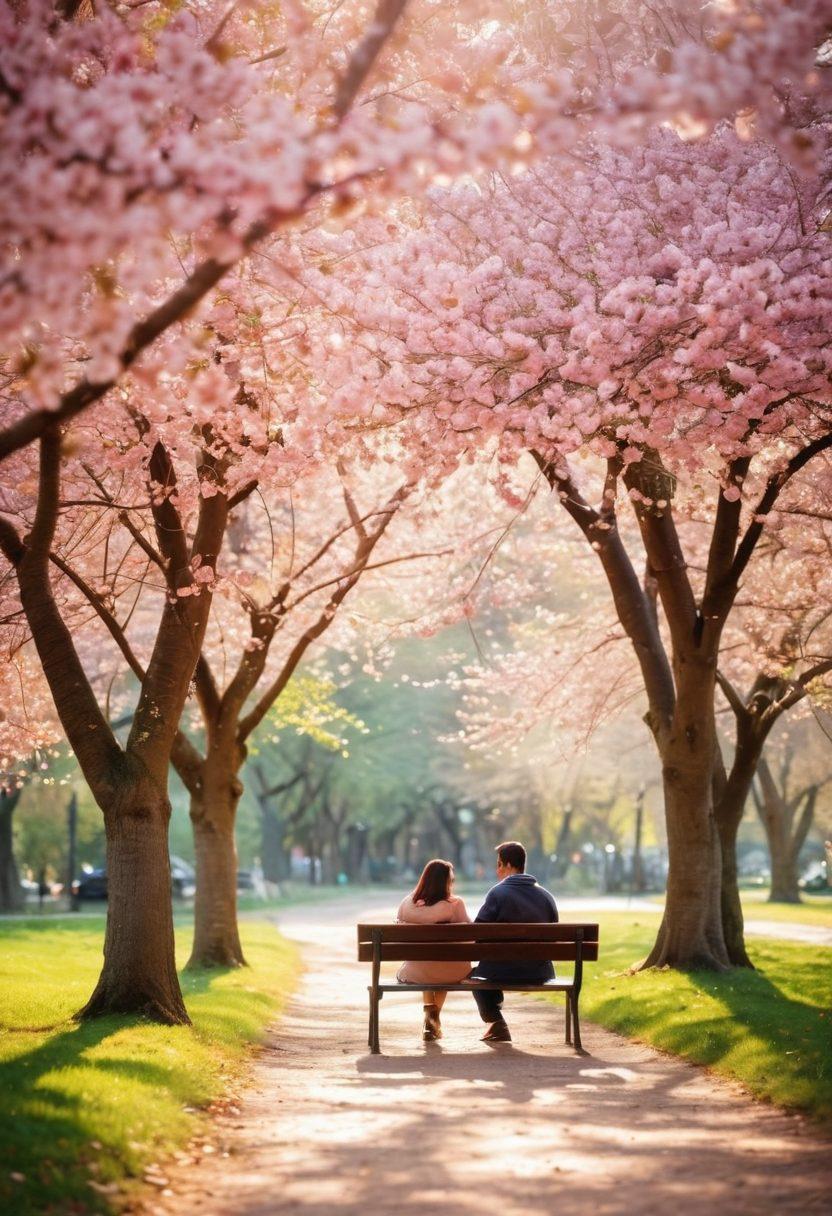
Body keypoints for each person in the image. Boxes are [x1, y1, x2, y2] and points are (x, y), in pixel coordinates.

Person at [469, 840, 558, 1043]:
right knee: (485, 972)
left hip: (500, 971)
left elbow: (478, 932)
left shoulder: (498, 893)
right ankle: (497, 1024)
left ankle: (496, 1021)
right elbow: (553, 937)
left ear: (509, 865)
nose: (497, 869)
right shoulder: (546, 896)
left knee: (476, 977)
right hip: (539, 971)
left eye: (499, 864)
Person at [396, 859, 471, 1041]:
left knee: (425, 961)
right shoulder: (454, 905)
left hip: (416, 972)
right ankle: (433, 1017)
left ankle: (431, 1015)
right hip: (452, 971)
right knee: (443, 960)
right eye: (451, 881)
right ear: (445, 882)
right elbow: (471, 935)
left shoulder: (407, 904)